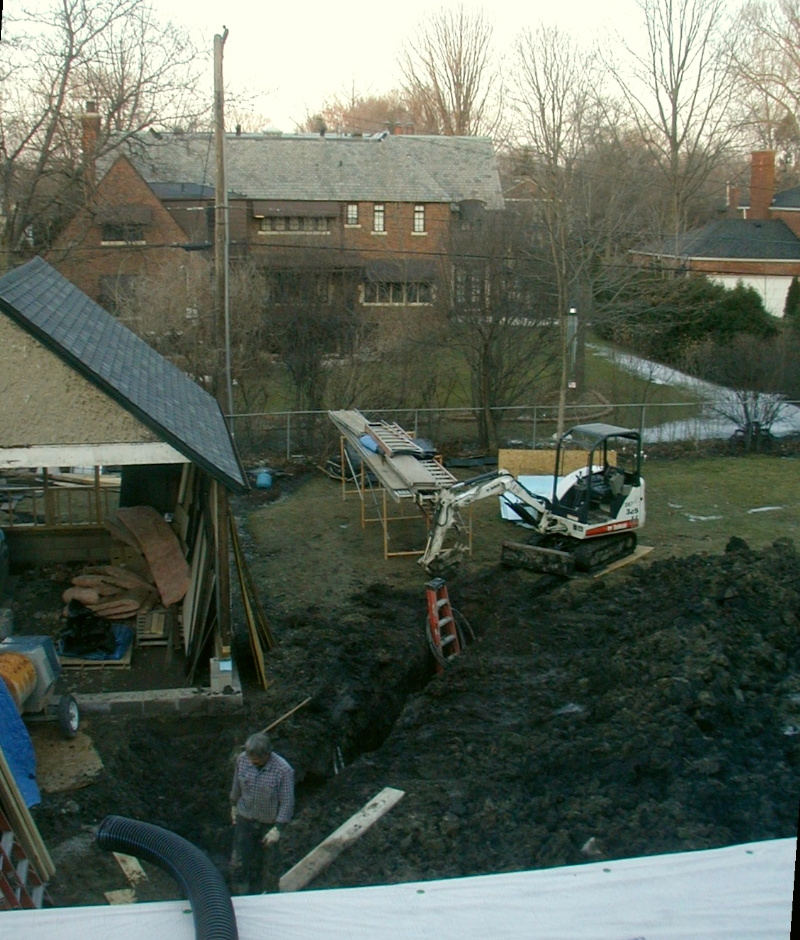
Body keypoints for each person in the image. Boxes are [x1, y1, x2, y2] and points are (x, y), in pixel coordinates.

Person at [229, 731, 295, 894]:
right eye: (251, 758)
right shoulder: (243, 760)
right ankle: (240, 893)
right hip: (245, 818)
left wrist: (278, 829)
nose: (253, 761)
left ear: (267, 755)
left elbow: (287, 801)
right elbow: (236, 784)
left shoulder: (283, 770)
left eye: (257, 759)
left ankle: (269, 894)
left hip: (268, 823)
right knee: (239, 860)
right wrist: (233, 805)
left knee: (270, 864)